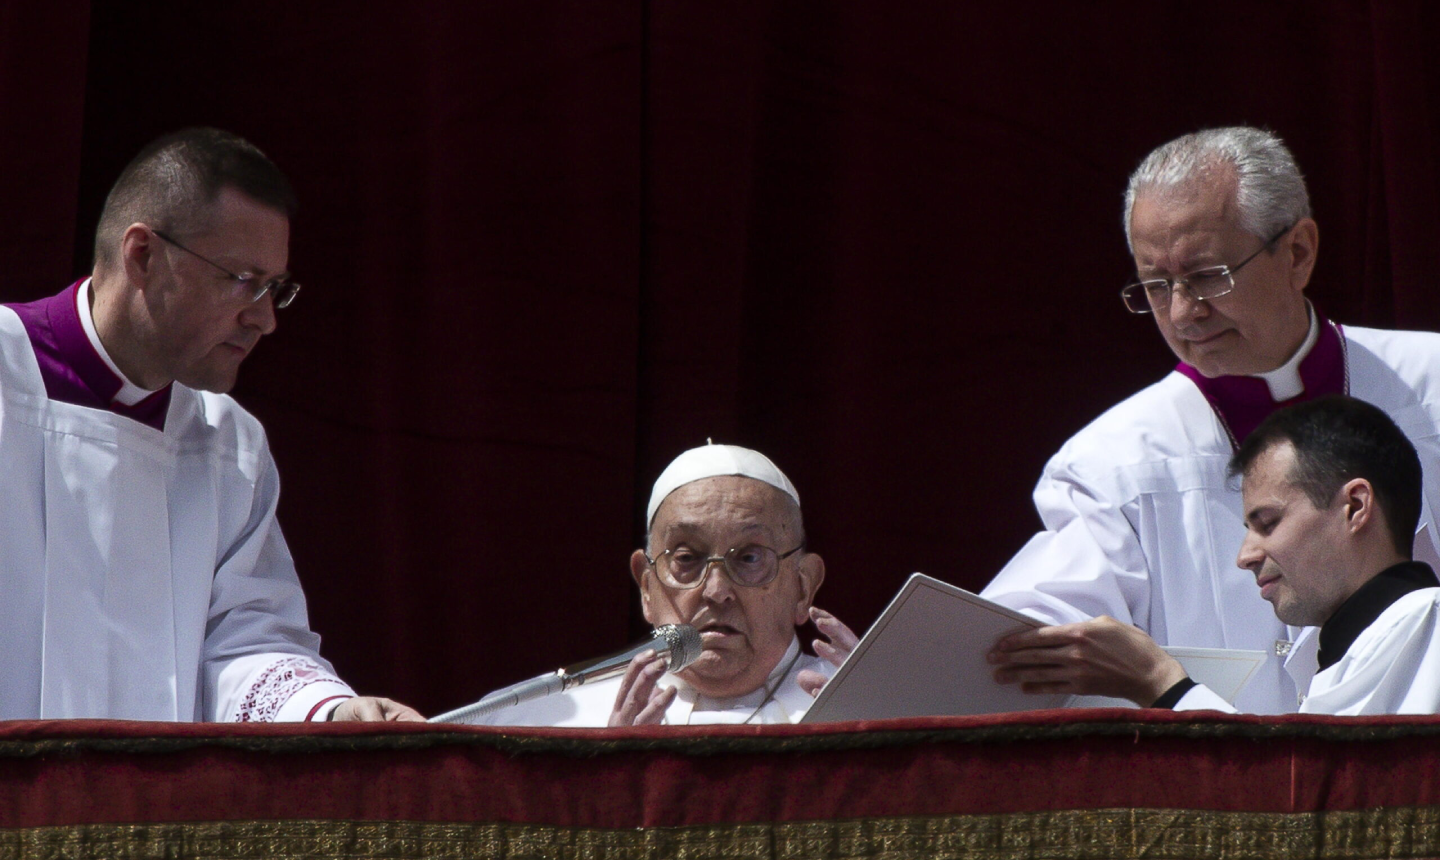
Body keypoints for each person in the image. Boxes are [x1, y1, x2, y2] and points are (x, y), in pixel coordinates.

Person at [981, 127, 1440, 714]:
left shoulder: (1427, 389)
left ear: (1297, 252)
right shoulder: (1113, 462)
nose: (1181, 312)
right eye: (1155, 285)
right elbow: (1025, 638)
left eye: (1206, 277)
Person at [0, 128, 421, 722]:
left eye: (275, 288)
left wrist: (324, 713)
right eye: (243, 281)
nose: (265, 320)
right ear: (142, 255)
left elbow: (246, 640)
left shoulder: (229, 444)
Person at [993, 396, 1440, 715]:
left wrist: (1160, 682)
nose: (1245, 556)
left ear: (1355, 507)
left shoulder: (1427, 623)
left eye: (1267, 523)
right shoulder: (1362, 647)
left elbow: (1308, 811)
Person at [478, 443, 850, 726]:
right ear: (646, 586)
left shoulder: (870, 707)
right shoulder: (535, 721)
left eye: (750, 558)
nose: (716, 590)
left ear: (803, 587)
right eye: (687, 559)